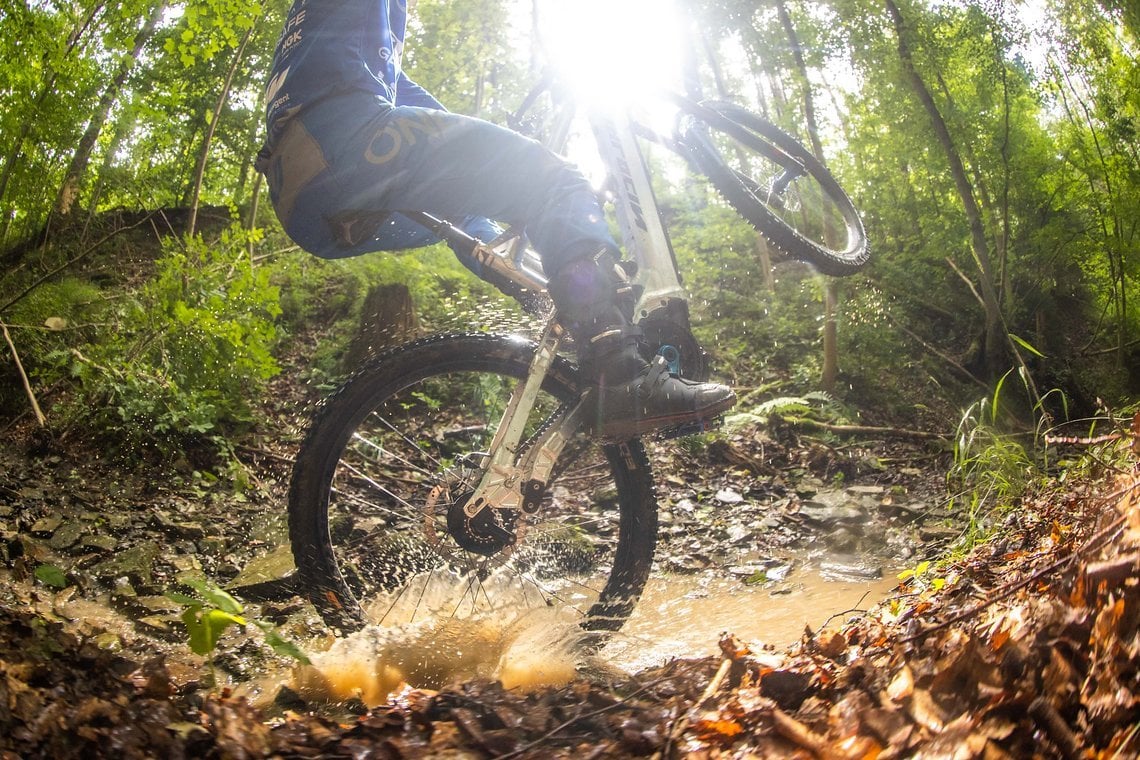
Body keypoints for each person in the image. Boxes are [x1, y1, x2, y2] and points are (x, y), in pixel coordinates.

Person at [256, 0, 735, 440]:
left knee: (468, 215)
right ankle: (620, 367)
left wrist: (493, 165)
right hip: (346, 139)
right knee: (556, 179)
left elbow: (419, 108)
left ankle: (553, 306)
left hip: (302, 198)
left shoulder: (324, 35)